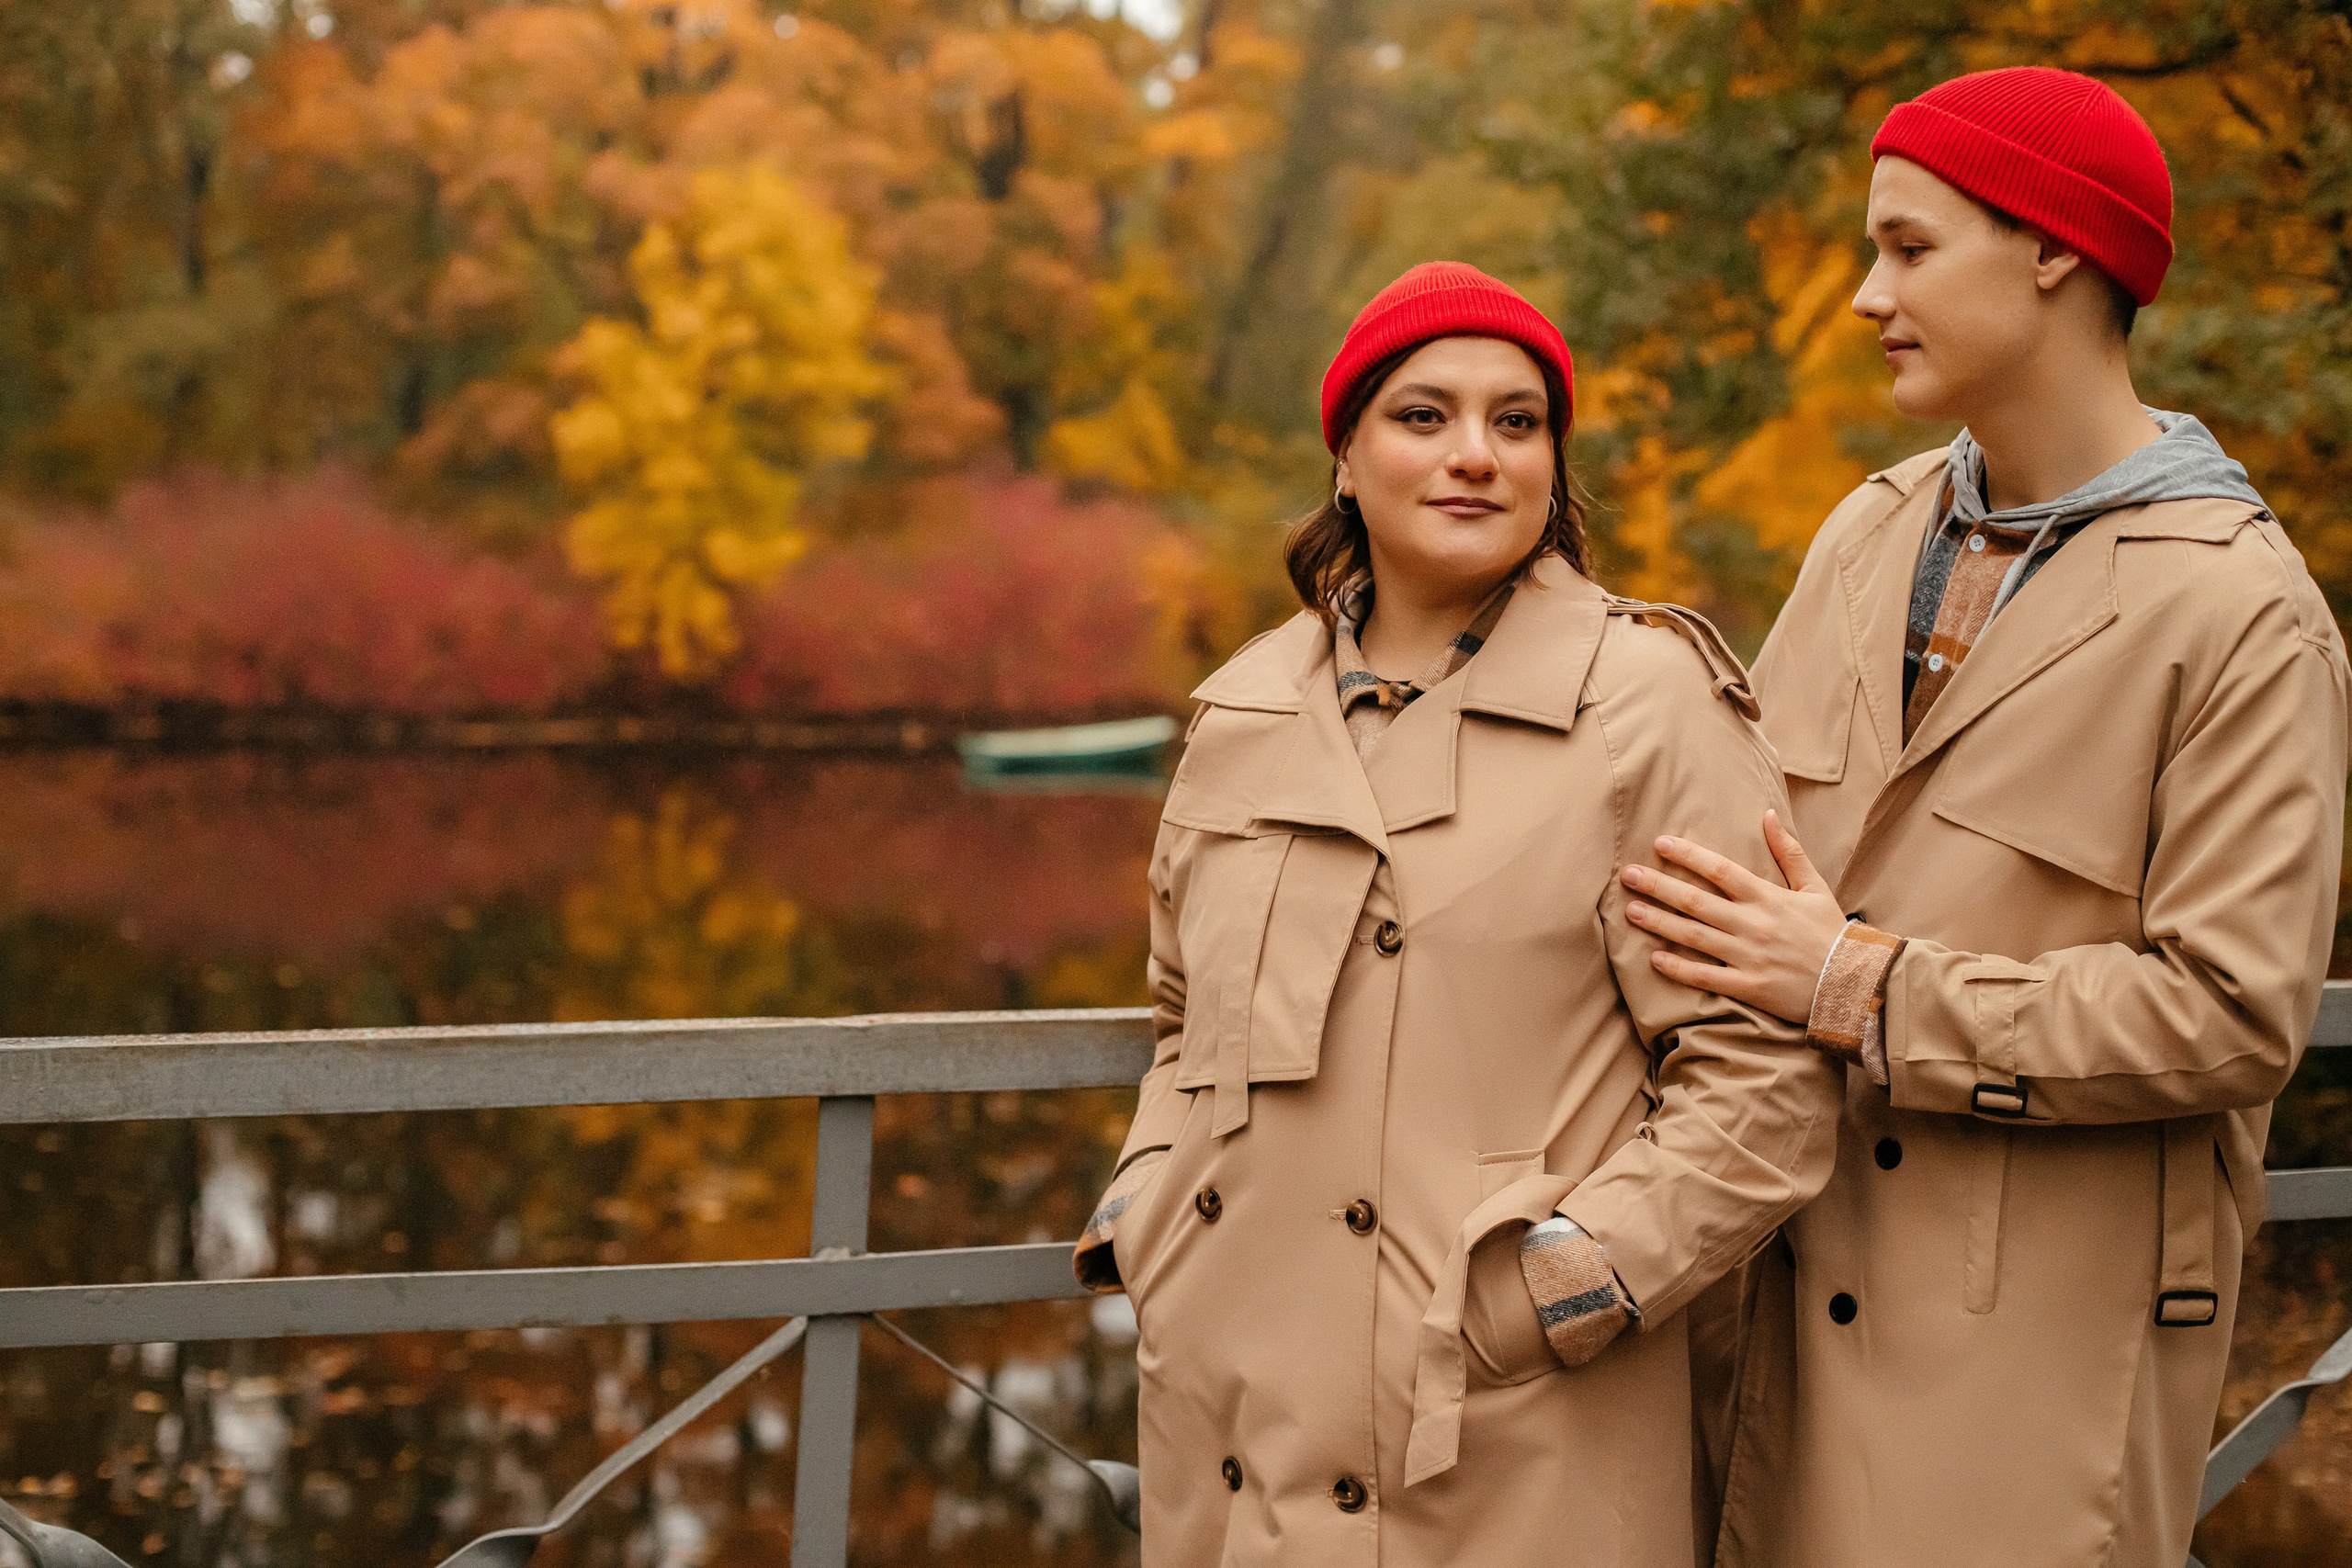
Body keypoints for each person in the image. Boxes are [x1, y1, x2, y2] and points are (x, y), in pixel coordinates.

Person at [1612, 69, 2351, 1568]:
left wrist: (1864, 989)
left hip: (2024, 1375)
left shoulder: (2242, 614)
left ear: (2055, 251)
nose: (1869, 295)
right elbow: (1739, 859)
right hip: (1764, 1316)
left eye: (1909, 248)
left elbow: (2231, 1017)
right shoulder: (1871, 526)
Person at [1069, 261, 1841, 1567]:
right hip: (1229, 1422)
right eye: (1424, 416)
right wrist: (1150, 1208)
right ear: (1347, 461)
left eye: (1518, 420)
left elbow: (1764, 1084)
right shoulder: (1245, 712)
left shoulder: (1646, 703)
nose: (1476, 454)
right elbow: (1179, 1020)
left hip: (1500, 1435)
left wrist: (1550, 1295)